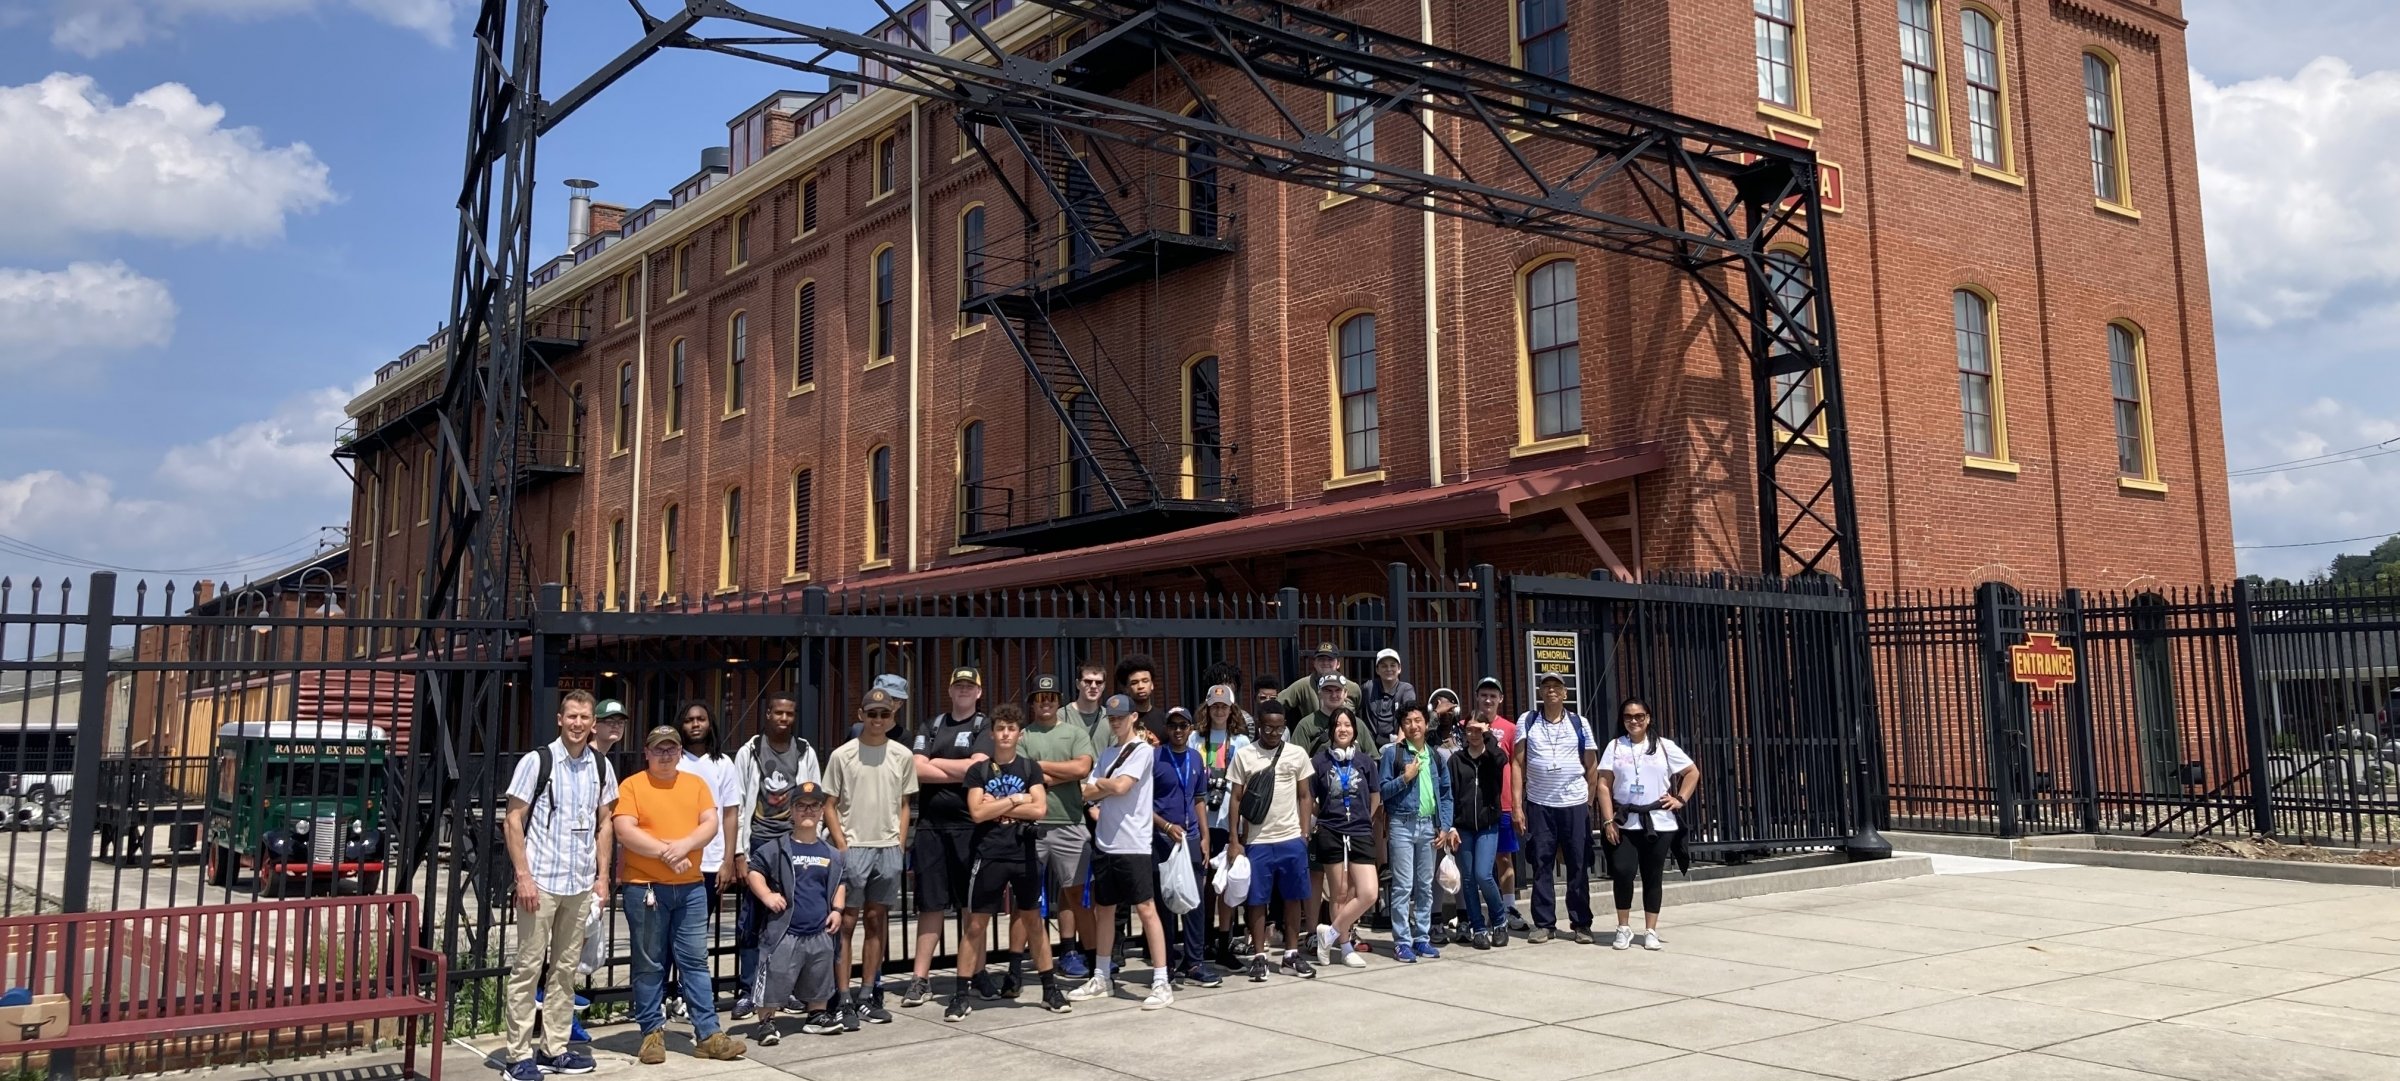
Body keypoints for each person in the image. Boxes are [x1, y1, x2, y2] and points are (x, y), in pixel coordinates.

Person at [499, 690, 617, 1080]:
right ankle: (517, 1054)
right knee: (528, 968)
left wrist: (602, 878)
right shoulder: (538, 761)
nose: (578, 723)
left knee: (565, 970)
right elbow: (513, 820)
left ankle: (555, 1047)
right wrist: (523, 877)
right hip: (542, 882)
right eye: (572, 716)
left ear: (592, 723)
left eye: (585, 717)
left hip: (579, 884)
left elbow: (605, 824)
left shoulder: (601, 767)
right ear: (559, 718)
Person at [614, 725, 746, 1063]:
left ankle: (709, 1034)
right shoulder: (632, 785)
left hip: (689, 888)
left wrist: (684, 846)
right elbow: (624, 830)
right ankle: (651, 1033)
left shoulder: (696, 784)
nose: (665, 754)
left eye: (671, 749)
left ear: (679, 752)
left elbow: (710, 823)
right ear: (646, 752)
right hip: (644, 887)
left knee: (695, 962)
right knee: (648, 964)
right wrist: (665, 852)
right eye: (658, 749)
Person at [955, 705, 1071, 1018]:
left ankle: (1049, 989)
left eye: (1011, 728)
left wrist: (1003, 805)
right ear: (992, 733)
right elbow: (977, 813)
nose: (1005, 734)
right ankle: (961, 993)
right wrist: (1017, 799)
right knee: (976, 924)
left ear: (1019, 734)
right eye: (1001, 728)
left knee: (1034, 921)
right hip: (989, 853)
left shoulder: (1029, 768)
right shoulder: (977, 771)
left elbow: (1039, 810)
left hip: (1023, 852)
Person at [728, 694, 836, 1020]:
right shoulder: (749, 751)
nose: (784, 719)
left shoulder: (804, 751)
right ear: (767, 714)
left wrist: (818, 839)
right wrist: (739, 853)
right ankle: (749, 989)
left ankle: (786, 990)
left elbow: (814, 796)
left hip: (794, 842)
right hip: (760, 839)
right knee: (753, 920)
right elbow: (739, 799)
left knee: (791, 919)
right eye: (778, 712)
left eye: (790, 713)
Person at [1070, 695, 1175, 1009]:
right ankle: (1101, 975)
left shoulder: (1142, 751)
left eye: (1120, 716)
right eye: (1111, 717)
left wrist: (1100, 785)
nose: (1115, 721)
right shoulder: (1107, 753)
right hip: (1105, 842)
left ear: (1133, 718)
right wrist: (1103, 785)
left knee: (1145, 908)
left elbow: (1120, 788)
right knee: (1104, 909)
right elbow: (1085, 791)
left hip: (1133, 844)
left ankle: (1161, 980)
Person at [822, 687, 916, 1029]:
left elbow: (905, 803)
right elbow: (828, 803)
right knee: (845, 923)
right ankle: (842, 996)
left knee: (877, 921)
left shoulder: (902, 755)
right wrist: (842, 844)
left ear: (892, 718)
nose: (878, 720)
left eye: (884, 714)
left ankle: (866, 994)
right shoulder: (842, 755)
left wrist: (901, 842)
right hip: (854, 846)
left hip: (888, 847)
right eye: (872, 713)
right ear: (861, 715)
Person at [904, 667, 994, 1007]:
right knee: (930, 903)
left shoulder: (983, 726)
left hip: (970, 826)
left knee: (972, 905)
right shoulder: (932, 724)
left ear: (978, 692)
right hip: (931, 827)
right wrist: (960, 768)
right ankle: (919, 978)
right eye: (959, 686)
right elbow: (914, 768)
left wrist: (937, 764)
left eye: (970, 686)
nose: (964, 691)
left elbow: (981, 768)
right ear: (951, 689)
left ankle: (976, 972)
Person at [742, 781, 847, 1044]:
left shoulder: (831, 854)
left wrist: (837, 910)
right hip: (784, 932)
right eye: (801, 806)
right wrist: (767, 895)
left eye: (814, 806)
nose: (808, 811)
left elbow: (839, 882)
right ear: (792, 811)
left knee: (819, 975)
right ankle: (766, 1021)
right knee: (775, 976)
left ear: (822, 811)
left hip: (819, 930)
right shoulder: (777, 848)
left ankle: (817, 1015)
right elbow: (755, 871)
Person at [1012, 674, 1098, 984]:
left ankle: (1092, 962)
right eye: (1039, 697)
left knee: (1077, 895)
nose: (1045, 702)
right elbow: (1021, 775)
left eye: (1050, 697)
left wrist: (1041, 768)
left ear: (1058, 701)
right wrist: (1063, 773)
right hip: (1032, 825)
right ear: (1032, 702)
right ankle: (1014, 969)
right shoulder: (1023, 736)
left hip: (1071, 823)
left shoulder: (1075, 733)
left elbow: (1082, 768)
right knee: (1026, 899)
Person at [1225, 700, 1318, 981]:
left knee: (1293, 898)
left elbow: (1305, 796)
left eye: (1280, 728)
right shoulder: (1245, 755)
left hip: (1290, 838)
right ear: (1259, 726)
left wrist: (1303, 834)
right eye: (1268, 727)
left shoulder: (1296, 754)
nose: (1274, 733)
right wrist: (1234, 839)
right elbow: (1236, 798)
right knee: (1256, 900)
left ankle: (1290, 954)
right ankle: (1258, 955)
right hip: (1257, 840)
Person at [1598, 697, 1697, 951]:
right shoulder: (1615, 747)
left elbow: (1692, 772)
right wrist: (1609, 819)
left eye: (1639, 716)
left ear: (1648, 718)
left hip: (1659, 821)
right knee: (1622, 871)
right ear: (1623, 720)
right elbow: (1603, 784)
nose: (1634, 721)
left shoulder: (1664, 746)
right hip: (1625, 821)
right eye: (1629, 717)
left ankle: (1650, 930)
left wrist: (1680, 799)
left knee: (1653, 876)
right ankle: (1623, 927)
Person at [1513, 673, 1601, 945]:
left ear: (1565, 693)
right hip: (1539, 803)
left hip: (1573, 804)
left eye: (1557, 687)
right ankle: (1544, 923)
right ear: (1540, 692)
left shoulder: (1579, 723)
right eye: (1546, 686)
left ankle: (1581, 923)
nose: (1551, 691)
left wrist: (1587, 801)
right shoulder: (1527, 721)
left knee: (1577, 863)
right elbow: (1517, 763)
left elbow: (1592, 765)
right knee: (1541, 863)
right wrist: (1517, 805)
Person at [1379, 702, 1454, 962]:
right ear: (1402, 726)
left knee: (1425, 886)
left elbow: (1446, 794)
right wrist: (1405, 777)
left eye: (1418, 720)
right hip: (1401, 824)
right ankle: (1402, 941)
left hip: (1428, 826)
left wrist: (1444, 826)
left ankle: (1421, 938)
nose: (1414, 725)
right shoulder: (1393, 754)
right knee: (1402, 886)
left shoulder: (1434, 755)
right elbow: (1383, 793)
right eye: (1408, 721)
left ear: (1426, 723)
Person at [1150, 707, 1220, 987]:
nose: (1178, 730)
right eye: (1173, 725)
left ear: (1191, 728)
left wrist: (1205, 837)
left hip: (1190, 839)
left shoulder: (1194, 758)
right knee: (1164, 902)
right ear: (1167, 728)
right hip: (1162, 838)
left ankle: (1194, 962)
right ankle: (1164, 963)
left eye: (1183, 725)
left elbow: (1199, 799)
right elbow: (1143, 804)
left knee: (1195, 902)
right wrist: (1165, 826)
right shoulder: (1155, 758)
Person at [1306, 707, 1378, 969]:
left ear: (1355, 730)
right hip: (1330, 830)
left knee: (1368, 892)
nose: (1343, 729)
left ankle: (1330, 933)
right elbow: (1311, 800)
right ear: (1331, 731)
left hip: (1359, 830)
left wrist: (1361, 819)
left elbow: (1374, 797)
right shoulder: (1319, 762)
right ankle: (1345, 947)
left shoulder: (1365, 762)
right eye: (1338, 725)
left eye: (1348, 724)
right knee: (1339, 893)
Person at [1196, 684, 1252, 969]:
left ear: (1232, 710)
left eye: (1224, 706)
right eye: (1215, 706)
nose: (1219, 710)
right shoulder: (1196, 738)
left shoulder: (1240, 742)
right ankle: (1202, 940)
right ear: (1207, 708)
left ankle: (1224, 941)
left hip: (1229, 821)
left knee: (1228, 883)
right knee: (1204, 884)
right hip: (1202, 820)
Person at [1448, 705, 1513, 949]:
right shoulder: (1457, 760)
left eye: (1478, 730)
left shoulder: (1492, 757)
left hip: (1488, 824)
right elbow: (1451, 794)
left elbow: (1501, 761)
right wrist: (1450, 825)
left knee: (1483, 874)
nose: (1473, 735)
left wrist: (1488, 736)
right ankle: (1478, 927)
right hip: (1463, 826)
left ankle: (1499, 920)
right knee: (1467, 878)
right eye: (1469, 730)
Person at [1474, 677, 1530, 933]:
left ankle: (1508, 907)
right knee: (1475, 863)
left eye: (1492, 696)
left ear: (1500, 699)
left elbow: (1517, 766)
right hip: (1475, 805)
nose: (1488, 700)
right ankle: (1480, 911)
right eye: (1484, 695)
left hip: (1503, 804)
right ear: (1477, 697)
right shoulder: (1468, 725)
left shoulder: (1509, 728)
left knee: (1504, 858)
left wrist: (1517, 805)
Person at [1278, 642, 1358, 719]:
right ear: (1314, 663)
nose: (1325, 663)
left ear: (1338, 664)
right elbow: (1278, 702)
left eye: (1330, 659)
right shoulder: (1303, 685)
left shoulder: (1352, 687)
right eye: (1321, 659)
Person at [1359, 648, 1416, 749]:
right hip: (1370, 747)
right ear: (1377, 670)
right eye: (1384, 666)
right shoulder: (1368, 688)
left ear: (1399, 669)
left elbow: (1408, 718)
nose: (1389, 669)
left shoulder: (1406, 689)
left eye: (1393, 665)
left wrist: (1397, 749)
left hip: (1398, 744)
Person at [1288, 672, 1350, 757]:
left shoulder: (1357, 724)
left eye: (1338, 690)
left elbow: (1372, 758)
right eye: (1328, 691)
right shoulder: (1306, 725)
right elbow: (1295, 761)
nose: (1334, 695)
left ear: (1345, 693)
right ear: (1319, 693)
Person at [1063, 661, 1111, 746]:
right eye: (1088, 682)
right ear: (1078, 684)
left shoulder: (1110, 717)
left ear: (1104, 686)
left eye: (1099, 682)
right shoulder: (1062, 716)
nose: (1093, 686)